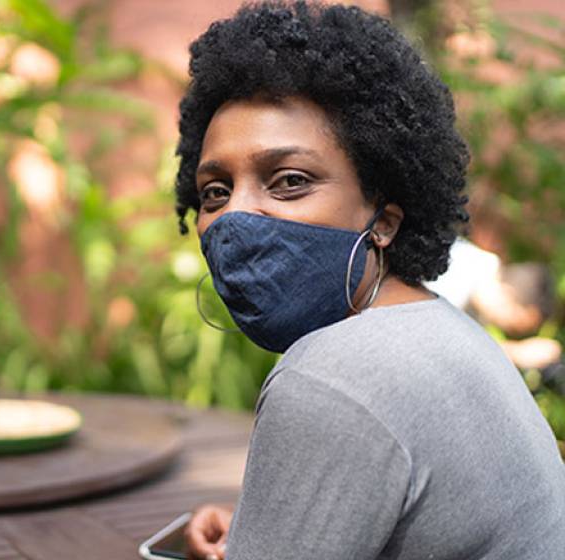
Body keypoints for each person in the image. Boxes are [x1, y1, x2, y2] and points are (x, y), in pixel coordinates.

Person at [174, 2, 565, 559]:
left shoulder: (333, 371)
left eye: (288, 181)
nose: (237, 216)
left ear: (383, 218)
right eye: (215, 190)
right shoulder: (444, 329)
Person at [427, 237, 561, 370]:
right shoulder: (462, 269)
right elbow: (439, 346)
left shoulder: (471, 295)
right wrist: (516, 354)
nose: (503, 328)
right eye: (514, 327)